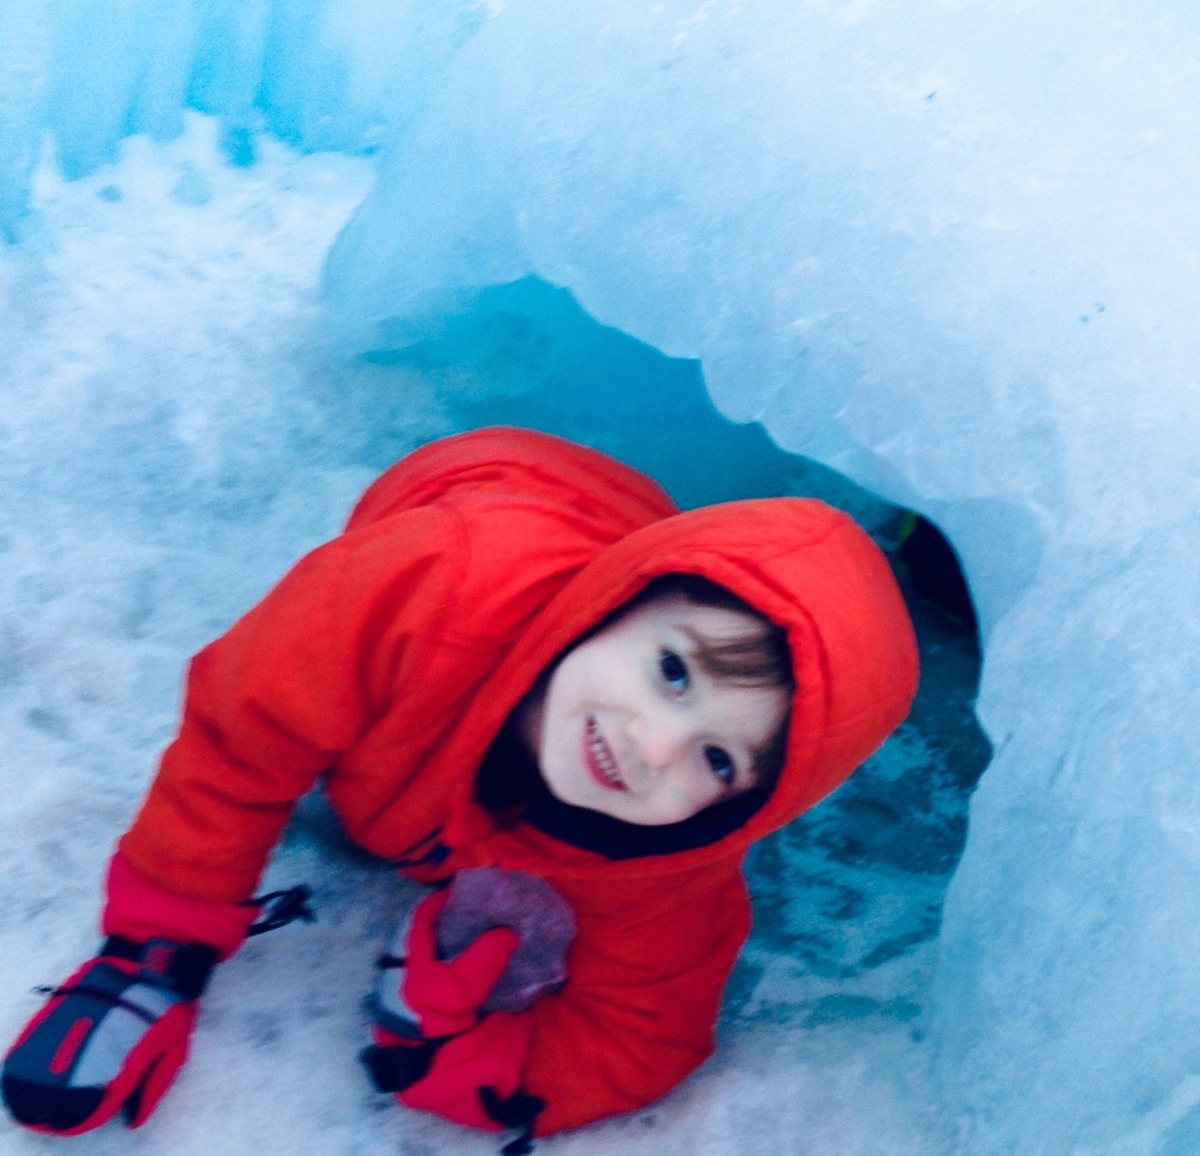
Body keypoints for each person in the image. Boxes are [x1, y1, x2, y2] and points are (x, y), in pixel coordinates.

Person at [2, 426, 918, 1152]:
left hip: (620, 530)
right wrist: (158, 949)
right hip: (477, 483)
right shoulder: (422, 589)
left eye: (719, 761)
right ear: (617, 608)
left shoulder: (672, 874)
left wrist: (460, 1052)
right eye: (672, 672)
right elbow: (244, 732)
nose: (653, 743)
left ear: (753, 807)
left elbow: (642, 1041)